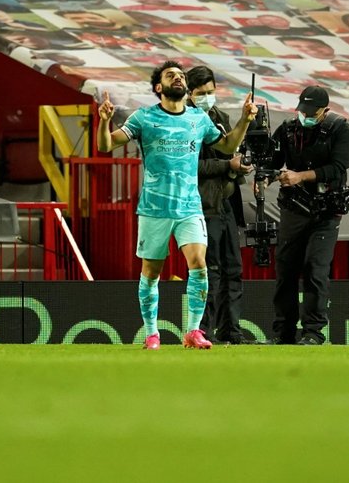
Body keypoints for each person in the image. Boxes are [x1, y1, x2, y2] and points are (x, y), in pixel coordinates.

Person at [97, 61, 258, 351]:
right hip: (154, 208)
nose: (178, 78)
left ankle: (193, 332)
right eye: (171, 75)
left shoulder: (198, 119)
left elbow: (227, 145)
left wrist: (245, 120)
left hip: (190, 207)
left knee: (199, 266)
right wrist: (103, 121)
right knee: (151, 272)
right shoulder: (144, 117)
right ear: (159, 87)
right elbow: (106, 145)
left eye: (181, 75)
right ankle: (151, 334)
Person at [265, 86, 349, 345]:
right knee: (286, 269)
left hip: (326, 211)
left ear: (324, 111)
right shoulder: (288, 129)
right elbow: (273, 160)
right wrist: (266, 178)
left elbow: (338, 167)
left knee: (316, 268)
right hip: (294, 209)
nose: (305, 116)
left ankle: (313, 333)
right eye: (302, 111)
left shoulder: (341, 129)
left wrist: (299, 176)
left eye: (311, 112)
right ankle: (283, 333)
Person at [187, 66, 253, 344]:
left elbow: (233, 150)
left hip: (226, 203)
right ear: (189, 94)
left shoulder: (221, 118)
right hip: (202, 205)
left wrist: (240, 168)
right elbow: (191, 165)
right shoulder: (185, 122)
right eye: (201, 93)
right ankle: (200, 331)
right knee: (208, 271)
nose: (207, 97)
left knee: (232, 270)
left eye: (211, 92)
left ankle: (231, 333)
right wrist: (228, 165)